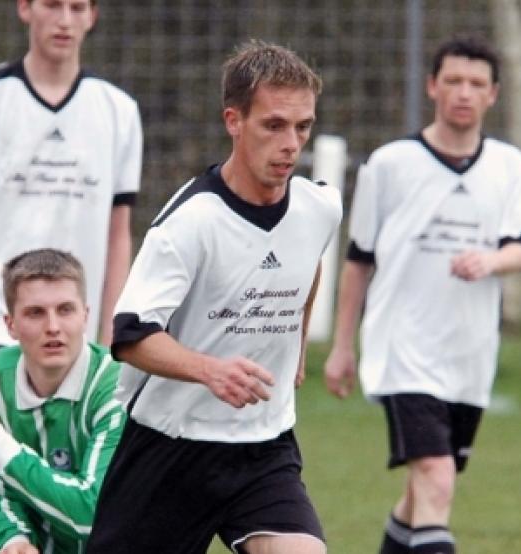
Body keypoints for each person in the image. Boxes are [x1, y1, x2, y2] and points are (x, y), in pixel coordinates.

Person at [86, 40, 341, 554]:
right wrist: (211, 370)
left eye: (303, 127)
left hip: (263, 447)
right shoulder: (190, 222)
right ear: (234, 120)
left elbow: (307, 261)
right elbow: (130, 336)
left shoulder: (320, 208)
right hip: (170, 444)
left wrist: (293, 338)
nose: (291, 143)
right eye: (274, 125)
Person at [323, 36, 521, 554]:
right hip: (403, 350)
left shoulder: (510, 166)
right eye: (454, 81)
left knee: (422, 497)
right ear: (432, 86)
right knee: (436, 478)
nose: (464, 92)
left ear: (493, 95)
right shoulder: (390, 164)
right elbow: (358, 261)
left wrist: (491, 261)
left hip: (468, 356)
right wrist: (343, 346)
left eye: (477, 83)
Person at [0, 0, 142, 462]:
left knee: (64, 467)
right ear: (24, 9)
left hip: (69, 316)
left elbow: (119, 232)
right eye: (52, 5)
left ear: (92, 16)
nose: (64, 19)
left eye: (77, 7)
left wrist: (113, 331)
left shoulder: (118, 110)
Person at [0, 248, 126, 554]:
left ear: (86, 316)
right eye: (36, 313)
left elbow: (91, 515)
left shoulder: (114, 385)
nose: (53, 326)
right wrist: (12, 539)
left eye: (66, 310)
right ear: (10, 324)